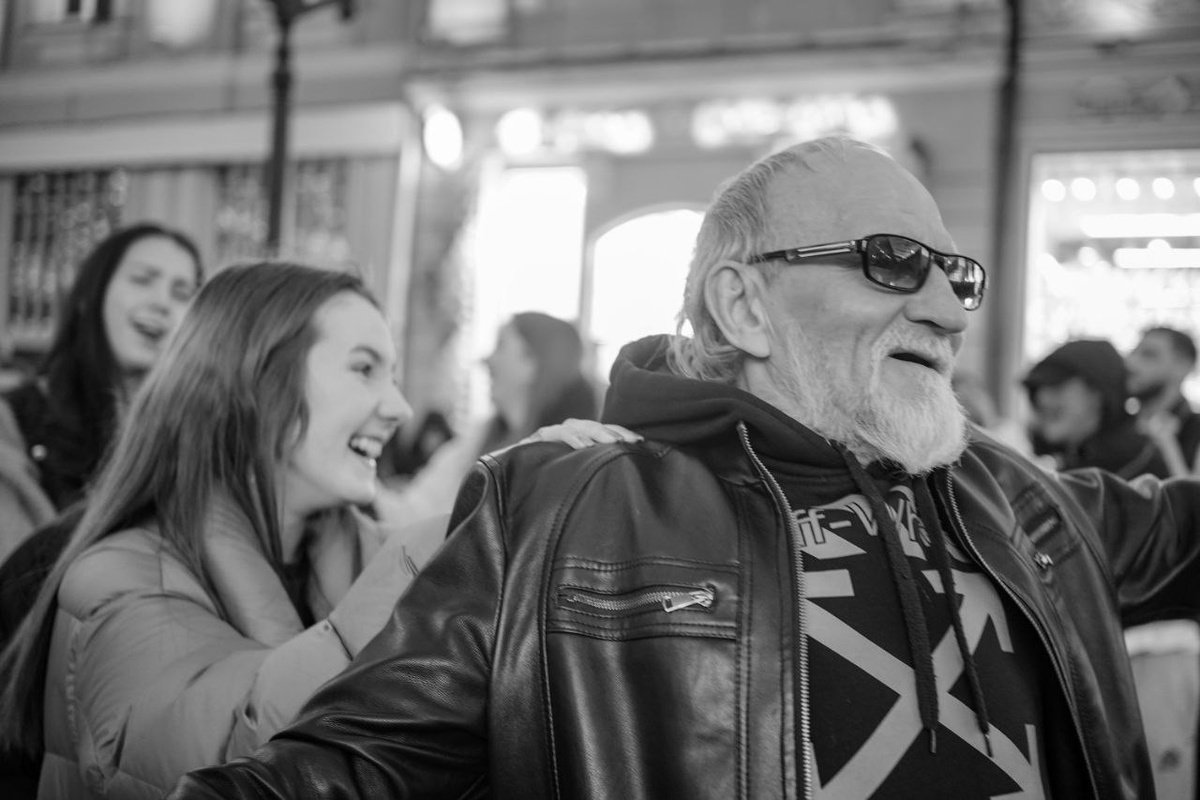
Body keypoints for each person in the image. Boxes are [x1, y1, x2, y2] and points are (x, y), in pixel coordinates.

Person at [170, 137, 1200, 800]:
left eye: (956, 275)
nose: (946, 310)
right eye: (892, 261)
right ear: (744, 306)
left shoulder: (1017, 501)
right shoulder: (568, 507)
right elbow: (341, 771)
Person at [0, 222, 204, 560]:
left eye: (182, 294)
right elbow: (17, 576)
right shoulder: (13, 422)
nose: (162, 303)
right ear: (89, 296)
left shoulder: (202, 435)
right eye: (142, 279)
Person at [376, 311, 598, 524]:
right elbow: (414, 512)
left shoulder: (570, 461)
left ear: (531, 363)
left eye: (501, 346)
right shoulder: (477, 440)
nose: (486, 360)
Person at [1023, 338, 1170, 480]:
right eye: (1035, 390)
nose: (1042, 399)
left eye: (1055, 386)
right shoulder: (1078, 463)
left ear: (1097, 391)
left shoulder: (1141, 468)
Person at [1127, 326, 1200, 477]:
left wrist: (1167, 445)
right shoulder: (1117, 424)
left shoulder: (1195, 430)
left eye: (1149, 354)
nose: (1131, 362)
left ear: (1183, 366)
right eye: (1133, 352)